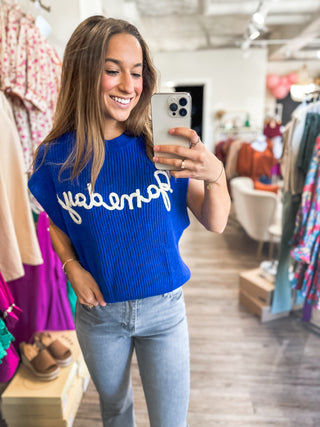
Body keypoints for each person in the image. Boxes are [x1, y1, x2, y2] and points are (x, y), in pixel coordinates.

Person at [28, 15, 230, 427]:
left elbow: (217, 222)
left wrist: (216, 176)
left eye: (136, 73)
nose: (128, 86)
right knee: (115, 411)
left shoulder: (160, 146)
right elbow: (57, 220)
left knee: (170, 421)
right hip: (99, 316)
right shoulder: (54, 158)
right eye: (112, 70)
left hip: (165, 311)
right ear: (84, 73)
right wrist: (72, 268)